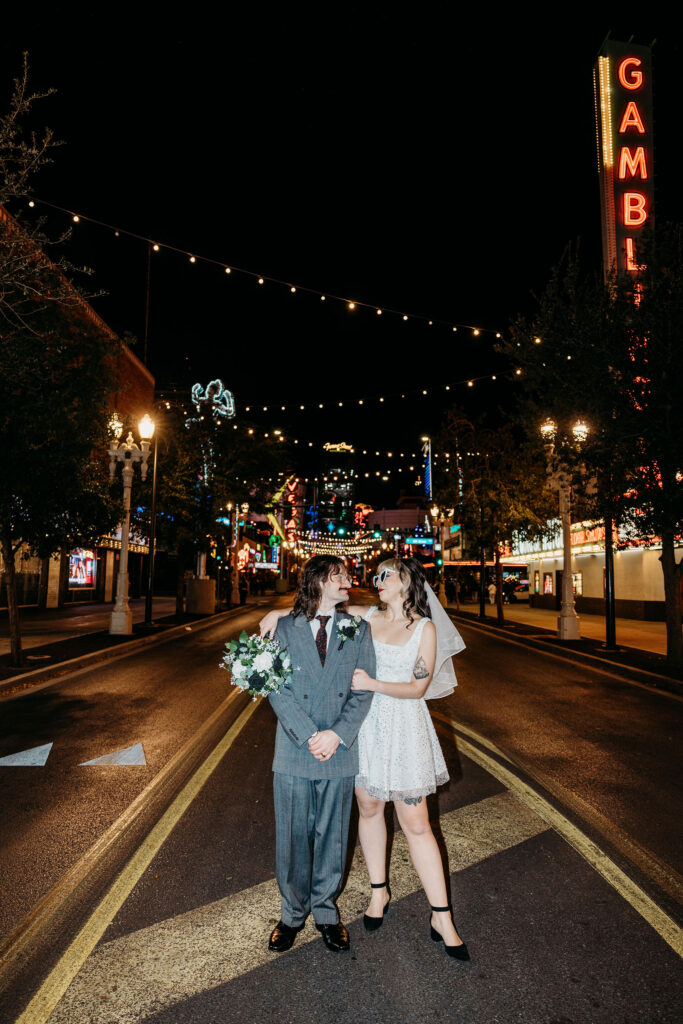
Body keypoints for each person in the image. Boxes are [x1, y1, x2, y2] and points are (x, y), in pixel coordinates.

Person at [260, 556, 469, 960]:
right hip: (366, 731)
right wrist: (276, 611)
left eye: (384, 575)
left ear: (407, 581)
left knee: (415, 822)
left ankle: (441, 915)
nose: (374, 581)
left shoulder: (422, 628)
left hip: (397, 727)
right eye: (373, 576)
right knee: (368, 809)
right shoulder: (367, 616)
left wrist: (367, 689)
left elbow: (417, 686)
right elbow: (318, 605)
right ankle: (377, 893)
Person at [266, 555, 375, 955]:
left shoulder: (358, 629)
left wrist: (337, 735)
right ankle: (292, 915)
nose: (347, 580)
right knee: (293, 837)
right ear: (317, 582)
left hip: (338, 750)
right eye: (338, 575)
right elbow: (273, 685)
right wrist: (310, 735)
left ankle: (326, 913)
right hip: (295, 748)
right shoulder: (284, 628)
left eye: (345, 575)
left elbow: (363, 690)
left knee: (332, 836)